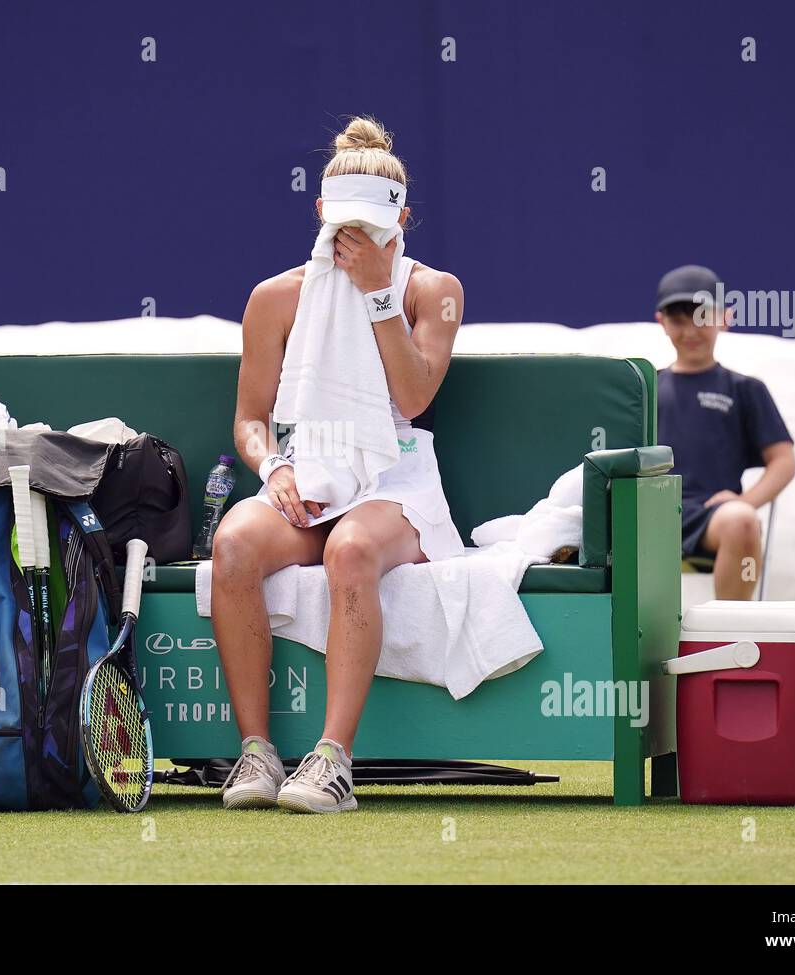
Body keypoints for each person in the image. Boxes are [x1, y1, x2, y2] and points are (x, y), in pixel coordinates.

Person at [210, 117, 465, 813]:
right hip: (308, 471)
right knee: (233, 542)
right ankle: (257, 752)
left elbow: (413, 395)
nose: (356, 237)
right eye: (344, 220)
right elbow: (251, 422)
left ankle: (332, 761)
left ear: (404, 218)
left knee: (351, 551)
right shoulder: (275, 298)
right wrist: (274, 471)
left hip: (398, 478)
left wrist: (380, 293)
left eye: (375, 222)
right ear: (320, 213)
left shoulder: (432, 290)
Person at [654, 265, 795, 600]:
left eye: (702, 317)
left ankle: (728, 636)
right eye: (678, 319)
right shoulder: (644, 388)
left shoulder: (745, 389)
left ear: (724, 317)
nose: (691, 330)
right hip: (649, 514)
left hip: (712, 516)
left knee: (743, 521)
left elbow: (783, 460)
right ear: (661, 322)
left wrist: (746, 502)